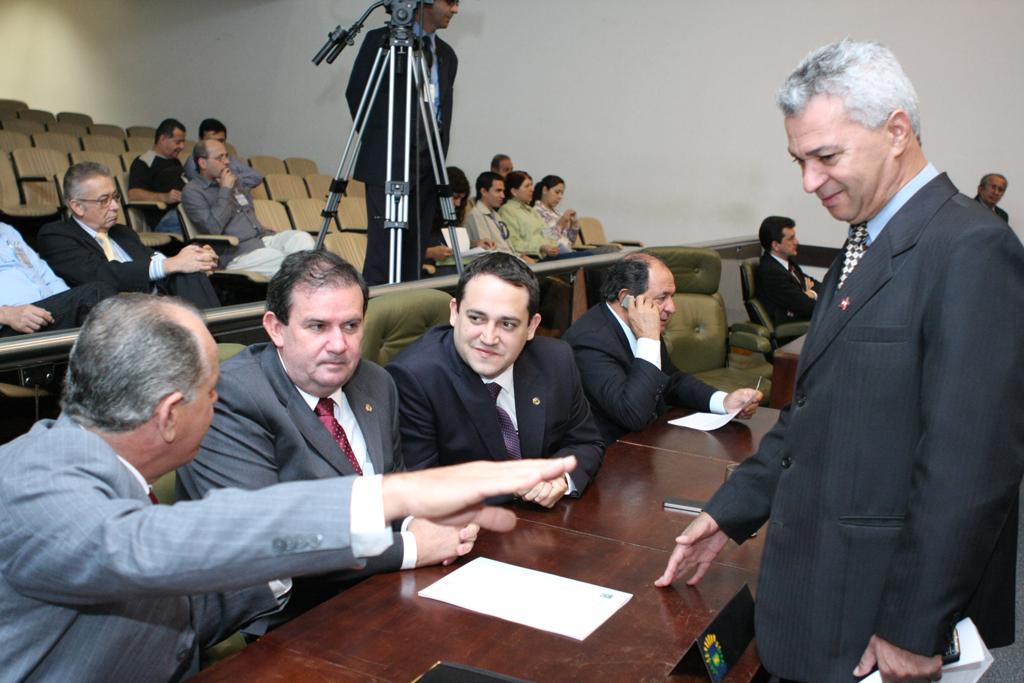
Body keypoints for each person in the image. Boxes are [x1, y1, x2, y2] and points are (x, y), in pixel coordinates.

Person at [655, 40, 1024, 683]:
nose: (809, 181)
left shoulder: (971, 249)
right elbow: (813, 411)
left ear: (897, 132)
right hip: (817, 586)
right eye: (799, 159)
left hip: (878, 607)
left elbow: (970, 465)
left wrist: (914, 627)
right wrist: (730, 510)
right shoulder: (865, 241)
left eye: (827, 156)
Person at [0, 292, 578, 682]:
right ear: (171, 414)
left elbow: (180, 600)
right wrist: (396, 497)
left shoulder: (89, 463)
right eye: (211, 393)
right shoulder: (35, 488)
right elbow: (153, 548)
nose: (220, 402)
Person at [176, 250, 478, 630]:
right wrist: (414, 547)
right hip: (288, 617)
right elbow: (273, 542)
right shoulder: (233, 397)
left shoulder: (376, 383)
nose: (339, 344)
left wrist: (431, 520)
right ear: (275, 328)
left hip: (378, 592)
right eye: (318, 326)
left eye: (351, 326)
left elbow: (392, 484)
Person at [387, 252, 605, 508]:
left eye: (508, 324)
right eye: (476, 318)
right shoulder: (415, 377)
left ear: (532, 327)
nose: (489, 338)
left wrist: (560, 478)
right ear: (455, 312)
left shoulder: (556, 359)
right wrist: (519, 484)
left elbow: (586, 442)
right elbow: (421, 485)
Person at [563, 253, 761, 443]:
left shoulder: (642, 324)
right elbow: (632, 414)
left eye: (672, 296)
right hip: (610, 454)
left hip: (648, 441)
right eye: (662, 297)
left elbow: (670, 381)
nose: (672, 308)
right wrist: (648, 340)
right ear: (627, 298)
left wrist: (723, 401)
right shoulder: (589, 341)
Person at [346, 0, 460, 285]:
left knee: (414, 250)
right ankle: (376, 319)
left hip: (427, 162)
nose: (455, 9)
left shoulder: (446, 54)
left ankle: (407, 316)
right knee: (383, 253)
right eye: (451, 1)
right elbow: (358, 94)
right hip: (389, 160)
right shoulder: (383, 41)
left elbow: (441, 108)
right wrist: (386, 142)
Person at [38, 162, 221, 309]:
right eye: (104, 200)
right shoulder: (56, 235)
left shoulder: (122, 232)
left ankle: (217, 343)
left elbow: (156, 261)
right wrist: (172, 264)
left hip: (159, 306)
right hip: (117, 317)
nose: (115, 206)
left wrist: (197, 259)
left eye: (115, 197)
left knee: (189, 271)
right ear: (77, 206)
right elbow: (101, 274)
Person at [181, 139, 314, 276]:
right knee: (291, 262)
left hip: (262, 240)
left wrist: (258, 226)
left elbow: (254, 180)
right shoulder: (193, 191)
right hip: (238, 253)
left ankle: (310, 285)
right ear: (203, 163)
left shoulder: (233, 180)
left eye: (227, 156)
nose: (227, 162)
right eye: (220, 158)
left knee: (301, 238)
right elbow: (212, 228)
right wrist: (225, 190)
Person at [0, 221, 115, 336]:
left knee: (113, 303)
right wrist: (6, 314)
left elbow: (43, 274)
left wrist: (67, 304)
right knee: (95, 294)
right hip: (10, 324)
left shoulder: (7, 231)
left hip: (44, 313)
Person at [754, 215, 821, 325]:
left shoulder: (789, 263)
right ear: (776, 245)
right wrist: (805, 294)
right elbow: (807, 307)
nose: (797, 242)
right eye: (791, 238)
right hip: (791, 331)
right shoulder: (770, 272)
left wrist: (811, 293)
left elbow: (819, 285)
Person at [127, 117, 188, 234]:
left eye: (183, 142)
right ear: (163, 139)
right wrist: (165, 197)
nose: (182, 146)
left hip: (182, 212)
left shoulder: (175, 161)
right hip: (166, 218)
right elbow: (133, 194)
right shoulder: (144, 162)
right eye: (178, 142)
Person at [465, 171, 533, 262]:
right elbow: (488, 252)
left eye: (503, 191)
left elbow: (507, 246)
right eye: (498, 191)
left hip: (509, 261)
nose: (503, 196)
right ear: (483, 191)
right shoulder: (476, 215)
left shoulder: (495, 214)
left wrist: (520, 256)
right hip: (499, 266)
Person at [183, 117, 263, 190]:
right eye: (212, 141)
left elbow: (256, 176)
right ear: (200, 140)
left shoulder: (229, 159)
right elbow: (208, 188)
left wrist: (231, 179)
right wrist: (229, 181)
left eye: (221, 141)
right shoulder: (194, 162)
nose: (217, 144)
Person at [498, 171, 560, 259]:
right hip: (532, 258)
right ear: (514, 191)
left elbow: (547, 232)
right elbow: (513, 243)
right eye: (527, 186)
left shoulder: (531, 210)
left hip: (550, 255)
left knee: (583, 258)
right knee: (583, 259)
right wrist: (540, 247)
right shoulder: (507, 211)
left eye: (531, 185)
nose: (532, 189)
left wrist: (553, 245)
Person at [532, 174, 580, 254]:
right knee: (600, 255)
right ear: (545, 190)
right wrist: (561, 223)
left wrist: (574, 224)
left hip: (568, 253)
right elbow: (548, 239)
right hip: (555, 254)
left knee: (604, 254)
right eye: (557, 192)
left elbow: (571, 241)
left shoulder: (558, 213)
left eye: (562, 193)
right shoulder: (536, 212)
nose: (560, 197)